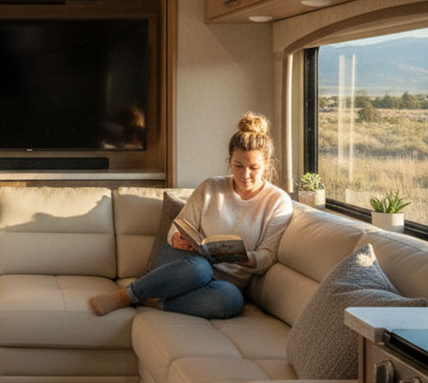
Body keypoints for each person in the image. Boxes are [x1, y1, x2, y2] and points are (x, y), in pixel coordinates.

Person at [89, 112, 293, 319]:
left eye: (254, 168)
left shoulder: (277, 202)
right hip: (184, 265)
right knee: (200, 268)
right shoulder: (211, 187)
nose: (245, 175)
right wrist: (176, 239)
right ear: (229, 161)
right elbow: (179, 226)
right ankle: (126, 296)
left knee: (231, 301)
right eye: (238, 166)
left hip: (223, 282)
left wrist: (247, 258)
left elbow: (268, 256)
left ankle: (154, 299)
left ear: (266, 164)